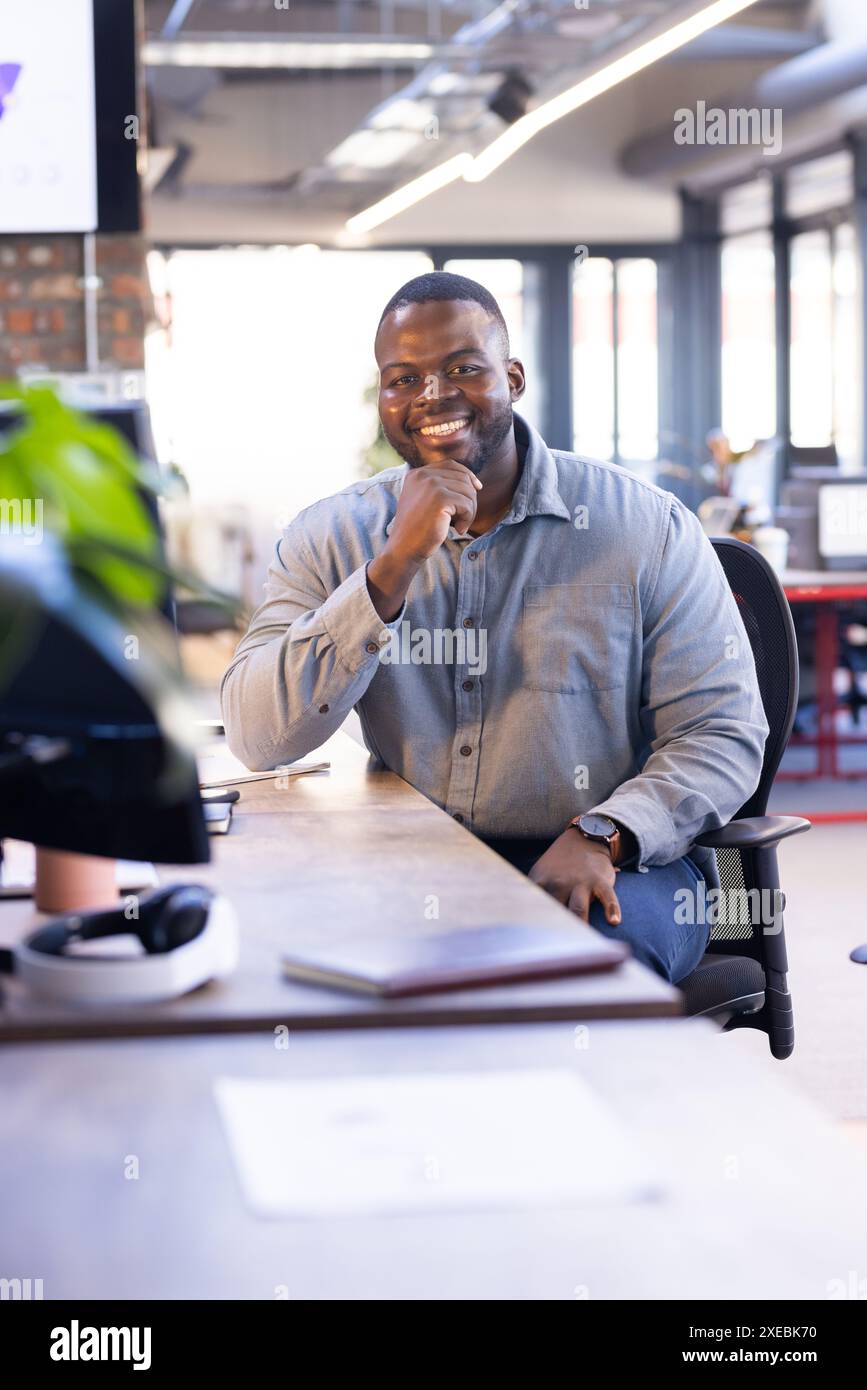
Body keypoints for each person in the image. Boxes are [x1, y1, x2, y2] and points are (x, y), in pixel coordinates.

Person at [221, 272, 769, 983]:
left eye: (462, 369)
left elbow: (720, 732)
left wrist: (601, 833)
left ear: (510, 377)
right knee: (286, 963)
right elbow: (258, 737)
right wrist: (390, 569)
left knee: (579, 973)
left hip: (619, 860)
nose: (431, 396)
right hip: (414, 857)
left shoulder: (644, 526)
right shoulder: (332, 535)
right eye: (403, 378)